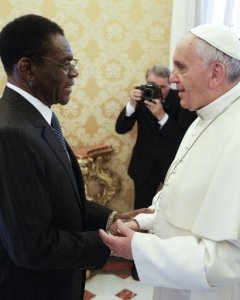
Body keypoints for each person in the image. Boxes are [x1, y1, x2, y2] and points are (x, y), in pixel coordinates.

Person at [0, 14, 152, 300]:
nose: (74, 73)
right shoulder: (11, 133)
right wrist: (111, 241)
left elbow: (60, 201)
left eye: (73, 63)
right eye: (65, 63)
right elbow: (32, 247)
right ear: (27, 68)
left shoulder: (38, 119)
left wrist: (113, 218)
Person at [100, 23, 240, 300]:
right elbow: (180, 190)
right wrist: (143, 222)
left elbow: (227, 259)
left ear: (215, 73)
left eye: (181, 67)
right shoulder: (204, 115)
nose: (173, 80)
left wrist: (137, 249)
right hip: (175, 280)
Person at [115, 64, 196, 280]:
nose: (159, 90)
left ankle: (166, 260)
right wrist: (132, 104)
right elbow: (121, 128)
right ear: (146, 83)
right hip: (144, 166)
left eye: (164, 86)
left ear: (170, 83)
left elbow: (183, 135)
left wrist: (161, 115)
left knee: (171, 215)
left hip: (173, 167)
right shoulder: (142, 98)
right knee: (140, 213)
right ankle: (137, 264)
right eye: (154, 85)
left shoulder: (183, 98)